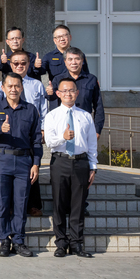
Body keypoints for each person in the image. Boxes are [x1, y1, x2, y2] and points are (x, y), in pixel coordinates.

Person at [0, 73, 42, 258]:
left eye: (17, 86)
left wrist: (36, 164)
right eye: (9, 86)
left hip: (24, 161)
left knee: (21, 202)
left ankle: (18, 240)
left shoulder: (30, 110)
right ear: (3, 88)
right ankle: (4, 240)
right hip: (3, 160)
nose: (13, 89)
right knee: (2, 202)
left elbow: (36, 140)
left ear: (22, 87)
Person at [0, 50, 48, 216]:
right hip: (10, 133)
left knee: (32, 171)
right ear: (10, 64)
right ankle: (13, 207)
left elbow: (43, 108)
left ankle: (33, 205)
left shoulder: (36, 84)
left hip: (30, 129)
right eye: (15, 63)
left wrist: (43, 128)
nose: (19, 66)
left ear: (28, 64)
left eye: (23, 63)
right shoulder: (3, 84)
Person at [44, 78, 97, 258]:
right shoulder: (52, 116)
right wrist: (63, 137)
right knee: (59, 204)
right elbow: (49, 142)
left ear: (77, 93)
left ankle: (76, 243)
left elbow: (91, 143)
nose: (68, 94)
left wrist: (93, 167)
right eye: (64, 91)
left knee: (78, 205)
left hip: (81, 162)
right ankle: (61, 243)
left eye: (71, 90)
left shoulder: (85, 115)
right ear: (57, 94)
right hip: (60, 161)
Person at [47, 47, 105, 138]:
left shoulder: (91, 79)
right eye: (70, 59)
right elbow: (53, 102)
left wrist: (97, 130)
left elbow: (98, 106)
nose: (73, 62)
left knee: (85, 151)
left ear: (82, 61)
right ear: (65, 62)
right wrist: (50, 93)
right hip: (63, 125)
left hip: (84, 124)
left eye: (77, 59)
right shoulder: (58, 79)